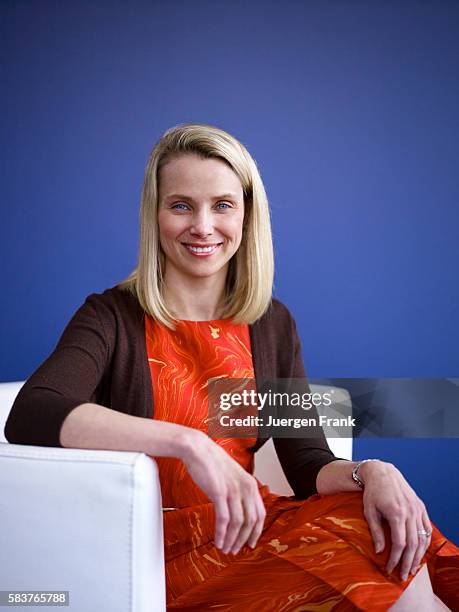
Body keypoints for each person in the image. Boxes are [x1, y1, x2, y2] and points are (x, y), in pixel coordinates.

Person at [5, 123, 458, 611]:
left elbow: (307, 464)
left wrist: (374, 472)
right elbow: (32, 413)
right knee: (381, 556)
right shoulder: (111, 316)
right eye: (181, 205)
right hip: (158, 550)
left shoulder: (271, 323)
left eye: (222, 205)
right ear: (155, 215)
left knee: (386, 530)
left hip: (254, 529)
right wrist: (188, 443)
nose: (203, 226)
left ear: (246, 216)